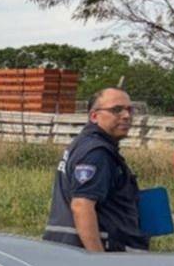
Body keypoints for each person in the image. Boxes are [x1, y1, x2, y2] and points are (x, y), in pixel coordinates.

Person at [42, 87, 148, 252]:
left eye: (129, 109)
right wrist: (99, 262)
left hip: (69, 251)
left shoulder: (87, 145)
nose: (127, 116)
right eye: (117, 110)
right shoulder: (96, 152)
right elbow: (82, 206)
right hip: (100, 253)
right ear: (94, 116)